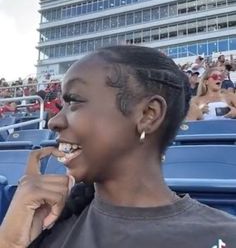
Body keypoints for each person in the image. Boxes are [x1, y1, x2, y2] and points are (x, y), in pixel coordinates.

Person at [0, 46, 236, 248]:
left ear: (148, 114)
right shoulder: (44, 222)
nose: (54, 121)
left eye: (75, 101)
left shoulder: (222, 238)